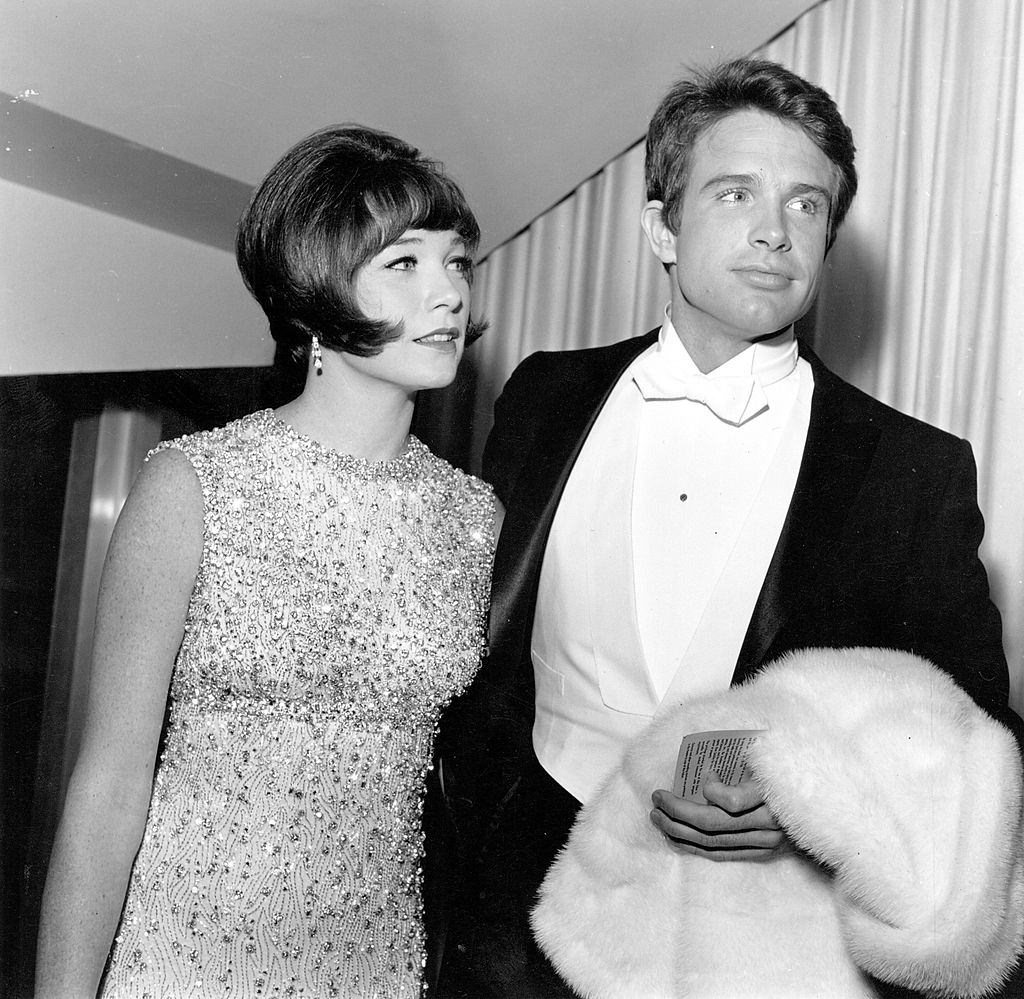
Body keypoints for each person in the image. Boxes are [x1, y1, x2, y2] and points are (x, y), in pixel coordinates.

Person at [434, 58, 1024, 998]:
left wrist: (817, 809)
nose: (774, 231)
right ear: (660, 228)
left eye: (806, 206)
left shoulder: (913, 469)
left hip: (756, 950)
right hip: (511, 925)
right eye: (736, 191)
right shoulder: (544, 394)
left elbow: (975, 733)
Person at [35, 124, 498, 999]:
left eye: (457, 263)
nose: (448, 295)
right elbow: (106, 785)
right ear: (313, 290)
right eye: (404, 264)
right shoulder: (196, 484)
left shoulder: (476, 519)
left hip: (374, 970)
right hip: (181, 961)